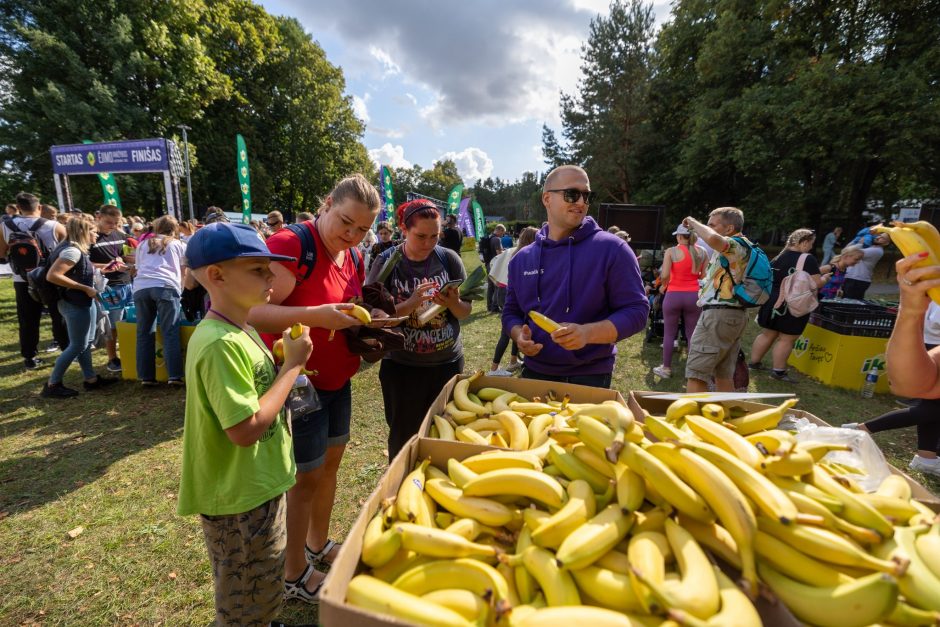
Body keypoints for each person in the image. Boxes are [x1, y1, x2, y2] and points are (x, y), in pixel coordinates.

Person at [247, 173, 380, 603]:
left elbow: (345, 307)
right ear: (326, 203)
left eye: (362, 229)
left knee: (330, 467)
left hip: (338, 380)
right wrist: (319, 315)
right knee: (304, 478)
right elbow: (253, 313)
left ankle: (318, 544)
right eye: (346, 222)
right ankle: (293, 573)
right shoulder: (292, 245)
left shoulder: (353, 255)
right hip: (300, 384)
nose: (353, 234)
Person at [177, 221, 312, 626]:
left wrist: (281, 363)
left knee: (264, 583)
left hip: (258, 484)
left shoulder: (240, 327)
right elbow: (245, 428)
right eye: (258, 270)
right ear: (216, 276)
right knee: (243, 599)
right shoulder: (218, 343)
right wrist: (292, 367)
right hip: (239, 498)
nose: (271, 276)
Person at [503, 165, 649, 387]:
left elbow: (637, 312)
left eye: (587, 195)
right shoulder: (522, 259)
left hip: (590, 376)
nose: (581, 202)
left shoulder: (613, 249)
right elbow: (511, 312)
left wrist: (587, 333)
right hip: (534, 371)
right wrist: (518, 335)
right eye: (572, 194)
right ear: (546, 199)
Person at [367, 199, 470, 457]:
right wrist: (411, 303)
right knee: (404, 437)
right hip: (402, 367)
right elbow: (374, 318)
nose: (428, 243)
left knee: (444, 431)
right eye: (420, 236)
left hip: (446, 364)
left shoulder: (448, 259)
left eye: (435, 236)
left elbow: (464, 311)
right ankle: (401, 488)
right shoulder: (387, 262)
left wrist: (453, 302)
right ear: (403, 229)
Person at [842, 300, 940, 478]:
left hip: (930, 343)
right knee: (933, 408)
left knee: (933, 408)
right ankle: (861, 430)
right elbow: (935, 319)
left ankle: (926, 457)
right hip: (934, 345)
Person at [40, 217, 119, 398]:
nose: (96, 234)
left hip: (79, 301)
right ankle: (53, 384)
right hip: (74, 302)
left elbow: (77, 271)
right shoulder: (72, 251)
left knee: (84, 343)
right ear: (83, 232)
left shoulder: (72, 249)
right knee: (78, 345)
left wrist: (98, 272)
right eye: (92, 231)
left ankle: (90, 379)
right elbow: (53, 276)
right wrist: (85, 288)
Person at [682, 207, 753, 393]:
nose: (708, 228)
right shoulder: (741, 247)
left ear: (729, 229)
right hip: (731, 315)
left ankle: (691, 419)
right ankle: (723, 418)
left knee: (697, 373)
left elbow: (713, 239)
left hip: (718, 316)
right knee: (723, 375)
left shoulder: (735, 244)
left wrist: (692, 220)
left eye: (712, 225)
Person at [748, 229, 828, 382]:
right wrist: (826, 279)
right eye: (811, 243)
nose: (811, 247)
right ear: (804, 242)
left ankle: (754, 363)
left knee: (767, 334)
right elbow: (816, 283)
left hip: (772, 301)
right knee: (787, 339)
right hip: (792, 303)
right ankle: (778, 371)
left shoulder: (780, 256)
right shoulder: (807, 259)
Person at [0, 192, 69, 369]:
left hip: (22, 279)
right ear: (39, 207)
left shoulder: (5, 226)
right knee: (58, 315)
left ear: (18, 207)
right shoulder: (54, 225)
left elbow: (2, 252)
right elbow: (67, 250)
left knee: (27, 319)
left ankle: (30, 357)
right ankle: (66, 351)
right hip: (50, 277)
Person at [132, 215, 188, 386]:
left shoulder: (142, 244)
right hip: (166, 286)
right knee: (169, 331)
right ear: (174, 228)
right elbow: (184, 271)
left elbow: (137, 268)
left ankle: (146, 376)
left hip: (141, 287)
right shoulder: (178, 244)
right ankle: (174, 376)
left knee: (144, 332)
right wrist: (181, 289)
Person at [652, 224, 706, 379]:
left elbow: (665, 274)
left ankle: (666, 368)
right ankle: (693, 372)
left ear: (680, 236)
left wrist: (664, 286)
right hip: (694, 296)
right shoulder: (701, 252)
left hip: (674, 295)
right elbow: (703, 276)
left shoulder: (671, 251)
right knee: (692, 334)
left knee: (669, 333)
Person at [486, 226, 538, 375]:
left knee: (519, 328)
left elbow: (493, 263)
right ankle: (494, 369)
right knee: (506, 333)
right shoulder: (526, 255)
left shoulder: (510, 251)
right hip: (512, 295)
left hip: (504, 292)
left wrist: (497, 281)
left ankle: (513, 361)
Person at [90, 205, 133, 373]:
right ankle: (112, 358)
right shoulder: (92, 238)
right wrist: (110, 266)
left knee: (129, 321)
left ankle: (129, 354)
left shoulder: (121, 235)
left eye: (116, 222)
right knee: (112, 326)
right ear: (98, 217)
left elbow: (125, 255)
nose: (113, 226)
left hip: (127, 283)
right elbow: (87, 264)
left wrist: (130, 259)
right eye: (109, 222)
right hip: (108, 286)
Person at [842, 233, 889, 299]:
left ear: (886, 243)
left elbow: (847, 252)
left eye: (882, 238)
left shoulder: (876, 251)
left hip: (857, 280)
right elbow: (845, 251)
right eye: (879, 235)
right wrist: (856, 240)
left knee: (851, 305)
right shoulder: (869, 248)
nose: (878, 237)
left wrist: (859, 243)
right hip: (852, 278)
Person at [483, 224, 505, 312]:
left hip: (488, 264)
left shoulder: (489, 237)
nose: (502, 235)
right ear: (499, 230)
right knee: (496, 286)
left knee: (490, 286)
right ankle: (494, 307)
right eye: (502, 233)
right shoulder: (497, 239)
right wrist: (505, 251)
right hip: (495, 265)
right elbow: (499, 253)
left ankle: (489, 306)